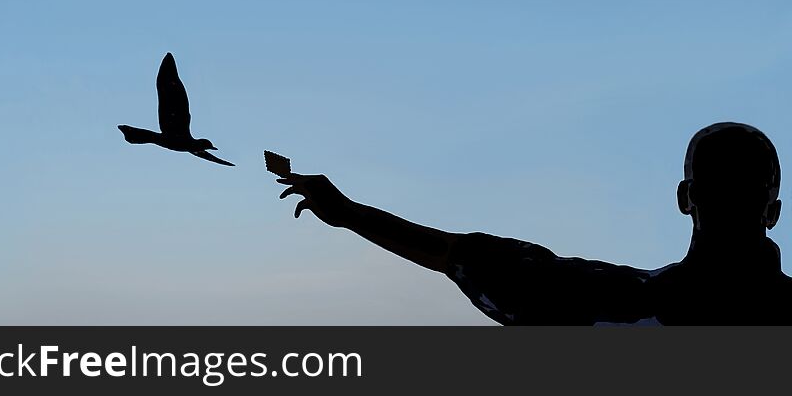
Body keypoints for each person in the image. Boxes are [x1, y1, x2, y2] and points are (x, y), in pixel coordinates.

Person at [273, 122, 792, 324]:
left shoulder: (616, 303)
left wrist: (349, 215)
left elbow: (463, 256)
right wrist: (349, 214)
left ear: (684, 198)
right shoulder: (616, 300)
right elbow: (470, 256)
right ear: (773, 209)